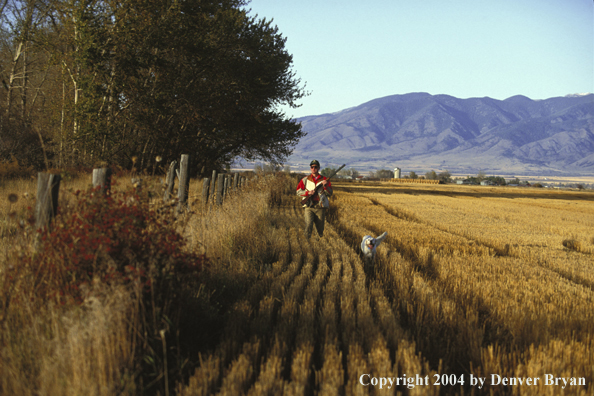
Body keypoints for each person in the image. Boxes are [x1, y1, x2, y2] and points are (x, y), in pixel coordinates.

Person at [296, 160, 333, 239]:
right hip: (309, 206)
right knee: (308, 225)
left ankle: (319, 243)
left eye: (315, 167)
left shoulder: (325, 180)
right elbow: (298, 191)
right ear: (310, 168)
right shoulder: (305, 179)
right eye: (312, 167)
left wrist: (325, 186)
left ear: (319, 168)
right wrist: (307, 193)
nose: (313, 168)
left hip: (320, 206)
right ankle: (307, 241)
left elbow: (330, 193)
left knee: (320, 228)